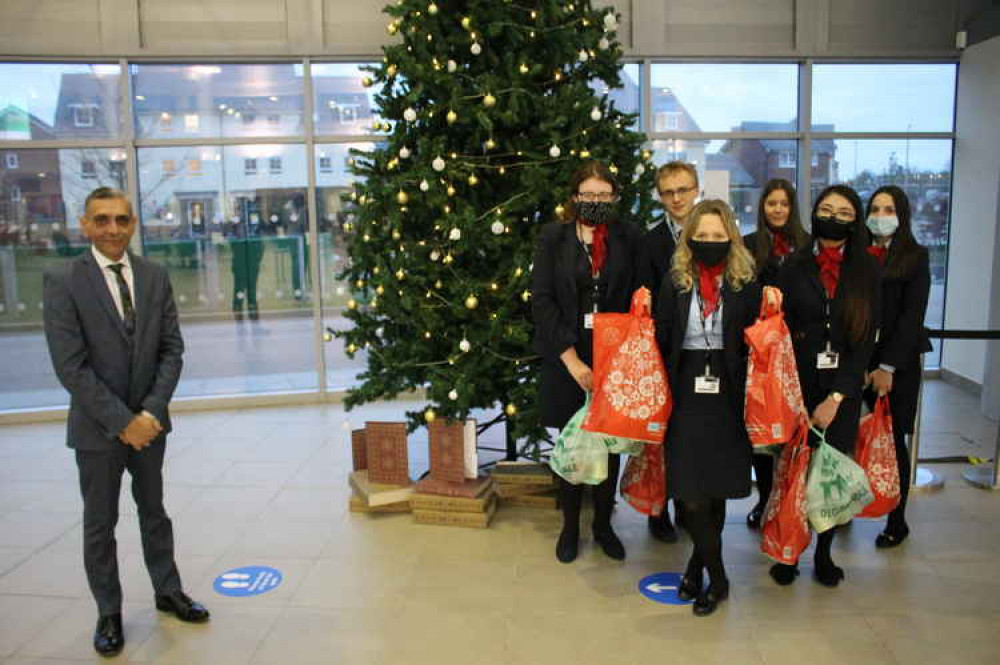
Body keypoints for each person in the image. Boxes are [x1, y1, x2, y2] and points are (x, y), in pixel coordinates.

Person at [42, 187, 210, 657]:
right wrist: (123, 422)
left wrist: (151, 413)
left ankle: (168, 590)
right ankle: (109, 612)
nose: (111, 229)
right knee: (101, 522)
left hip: (150, 427)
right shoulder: (63, 279)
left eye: (120, 220)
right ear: (85, 225)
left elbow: (171, 349)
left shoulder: (154, 276)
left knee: (155, 512)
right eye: (101, 220)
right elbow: (70, 366)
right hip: (98, 430)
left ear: (133, 223)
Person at [654, 199, 763, 616]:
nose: (710, 242)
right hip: (685, 389)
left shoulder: (746, 283)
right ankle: (719, 579)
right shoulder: (675, 282)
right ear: (690, 238)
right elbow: (663, 338)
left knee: (715, 491)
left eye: (719, 236)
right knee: (690, 493)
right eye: (703, 235)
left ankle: (697, 567)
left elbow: (754, 342)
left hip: (729, 390)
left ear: (731, 238)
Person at [532, 162, 643, 564]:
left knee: (609, 445)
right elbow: (541, 300)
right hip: (567, 356)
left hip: (615, 359)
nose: (595, 202)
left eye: (603, 195)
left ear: (614, 198)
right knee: (570, 442)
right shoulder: (554, 238)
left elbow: (638, 292)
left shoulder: (628, 237)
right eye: (588, 195)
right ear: (575, 196)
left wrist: (622, 355)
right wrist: (573, 361)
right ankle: (569, 527)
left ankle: (603, 525)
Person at [772, 184, 881, 587]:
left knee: (829, 475)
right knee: (795, 473)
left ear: (855, 222)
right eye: (826, 209)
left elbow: (866, 338)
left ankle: (823, 553)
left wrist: (837, 397)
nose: (832, 217)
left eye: (844, 213)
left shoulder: (868, 269)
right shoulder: (793, 263)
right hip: (798, 385)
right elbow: (781, 327)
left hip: (842, 391)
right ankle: (788, 553)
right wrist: (792, 394)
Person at [864, 185, 932, 548]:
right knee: (855, 436)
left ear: (901, 214)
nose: (880, 215)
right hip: (861, 363)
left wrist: (887, 366)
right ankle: (848, 507)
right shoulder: (858, 254)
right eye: (875, 208)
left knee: (893, 441)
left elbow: (911, 318)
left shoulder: (916, 256)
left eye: (888, 208)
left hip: (898, 364)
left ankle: (897, 519)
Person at [639, 160, 700, 544]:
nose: (676, 198)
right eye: (668, 192)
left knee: (691, 433)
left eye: (683, 190)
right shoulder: (650, 242)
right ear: (660, 197)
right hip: (663, 351)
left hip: (702, 352)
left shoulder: (713, 233)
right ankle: (657, 508)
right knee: (659, 435)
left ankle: (686, 505)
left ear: (696, 190)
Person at [742, 179, 809, 528]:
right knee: (765, 435)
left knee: (796, 433)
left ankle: (796, 501)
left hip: (799, 351)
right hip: (763, 355)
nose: (778, 210)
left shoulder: (807, 246)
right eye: (772, 204)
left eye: (784, 204)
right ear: (762, 208)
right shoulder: (750, 245)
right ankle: (766, 500)